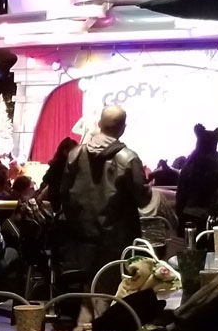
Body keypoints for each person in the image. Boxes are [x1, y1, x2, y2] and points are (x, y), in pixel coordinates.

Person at [59, 105, 151, 279]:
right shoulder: (129, 159)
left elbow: (64, 194)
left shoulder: (75, 154)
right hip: (117, 244)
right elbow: (143, 199)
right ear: (123, 128)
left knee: (87, 293)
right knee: (114, 294)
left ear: (99, 123)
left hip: (81, 240)